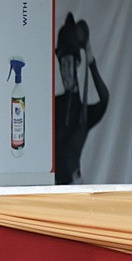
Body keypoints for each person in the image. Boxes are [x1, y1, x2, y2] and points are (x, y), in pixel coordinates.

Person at [54, 13, 109, 185]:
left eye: (69, 64)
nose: (65, 71)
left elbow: (104, 99)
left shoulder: (84, 113)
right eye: (62, 65)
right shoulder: (54, 105)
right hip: (53, 185)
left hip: (75, 185)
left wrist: (90, 61)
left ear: (77, 64)